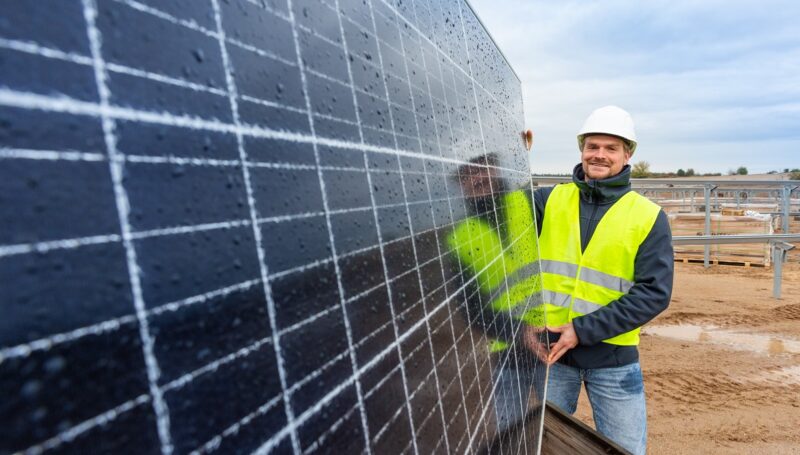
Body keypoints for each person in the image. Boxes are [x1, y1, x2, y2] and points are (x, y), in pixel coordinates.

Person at [526, 105, 674, 454]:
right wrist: (513, 158)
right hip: (551, 354)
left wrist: (582, 330)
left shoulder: (648, 216)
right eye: (592, 146)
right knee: (537, 444)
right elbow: (493, 213)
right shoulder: (549, 200)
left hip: (613, 360)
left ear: (628, 155)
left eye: (611, 149)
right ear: (582, 150)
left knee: (625, 449)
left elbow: (654, 293)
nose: (599, 155)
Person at [447, 154, 548, 435]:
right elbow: (469, 306)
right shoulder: (460, 236)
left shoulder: (531, 203)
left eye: (481, 168)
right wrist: (519, 331)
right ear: (460, 185)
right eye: (467, 175)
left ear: (495, 168)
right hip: (507, 355)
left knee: (554, 431)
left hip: (553, 345)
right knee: (509, 435)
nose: (477, 178)